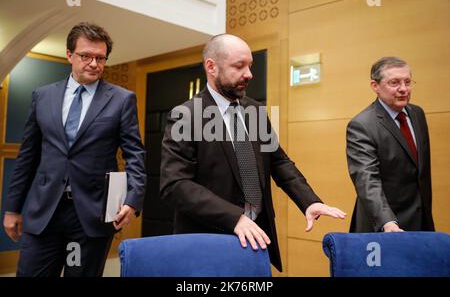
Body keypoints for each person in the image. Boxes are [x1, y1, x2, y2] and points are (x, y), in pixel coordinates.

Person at [160, 34, 346, 271]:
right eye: (239, 66)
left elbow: (279, 162)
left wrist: (309, 201)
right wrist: (235, 217)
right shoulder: (185, 116)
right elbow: (175, 185)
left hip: (258, 238)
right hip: (208, 240)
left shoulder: (255, 110)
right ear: (211, 67)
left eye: (250, 65)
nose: (249, 74)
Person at [2, 22, 146, 276]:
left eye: (100, 58)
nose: (94, 63)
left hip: (90, 217)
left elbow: (135, 154)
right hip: (44, 213)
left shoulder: (122, 100)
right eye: (86, 56)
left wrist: (132, 201)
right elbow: (28, 156)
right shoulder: (42, 96)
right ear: (70, 55)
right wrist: (13, 208)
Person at [346, 56, 435, 233]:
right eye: (394, 83)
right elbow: (366, 179)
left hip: (421, 222)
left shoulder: (417, 114)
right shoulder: (362, 125)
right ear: (375, 86)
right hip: (383, 226)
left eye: (408, 82)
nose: (403, 89)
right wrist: (387, 221)